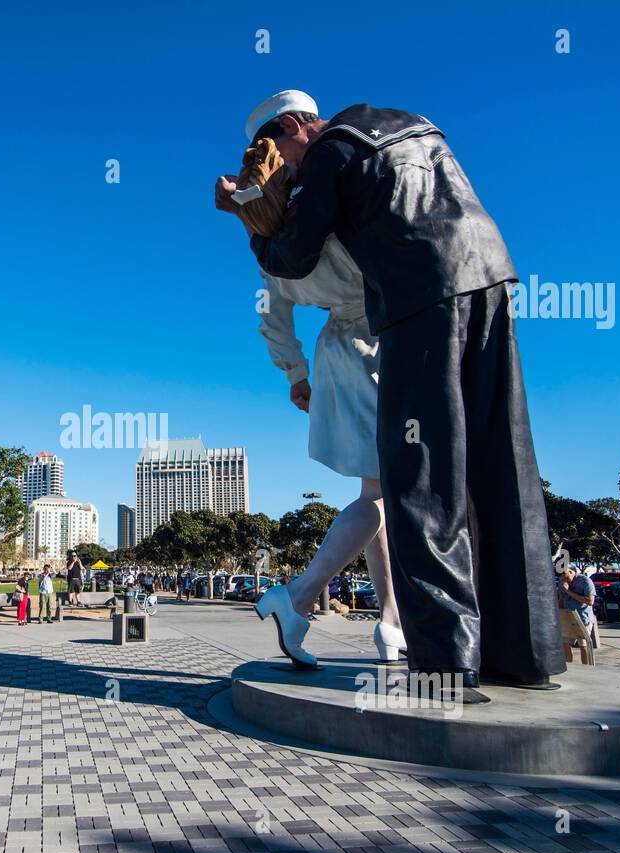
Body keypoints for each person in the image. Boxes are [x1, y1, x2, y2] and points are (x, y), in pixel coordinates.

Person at [222, 90, 566, 696]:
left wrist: (256, 229)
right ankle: (523, 650)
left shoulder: (326, 163)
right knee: (497, 458)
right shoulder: (409, 123)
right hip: (487, 272)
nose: (289, 171)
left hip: (409, 306)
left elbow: (292, 259)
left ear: (294, 129)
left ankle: (439, 660)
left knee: (415, 479)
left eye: (282, 154)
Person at [216, 111, 405, 667]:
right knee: (385, 492)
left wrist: (297, 375)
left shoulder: (275, 252)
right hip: (376, 341)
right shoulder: (329, 210)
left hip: (335, 353)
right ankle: (298, 596)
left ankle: (391, 620)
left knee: (380, 494)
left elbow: (273, 323)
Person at [560, 566, 596, 647]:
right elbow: (561, 599)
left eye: (565, 575)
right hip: (568, 617)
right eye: (561, 576)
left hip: (582, 618)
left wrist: (568, 591)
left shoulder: (585, 581)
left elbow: (590, 601)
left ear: (571, 572)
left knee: (583, 645)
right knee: (565, 643)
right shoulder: (562, 581)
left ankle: (586, 660)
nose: (564, 579)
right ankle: (568, 659)